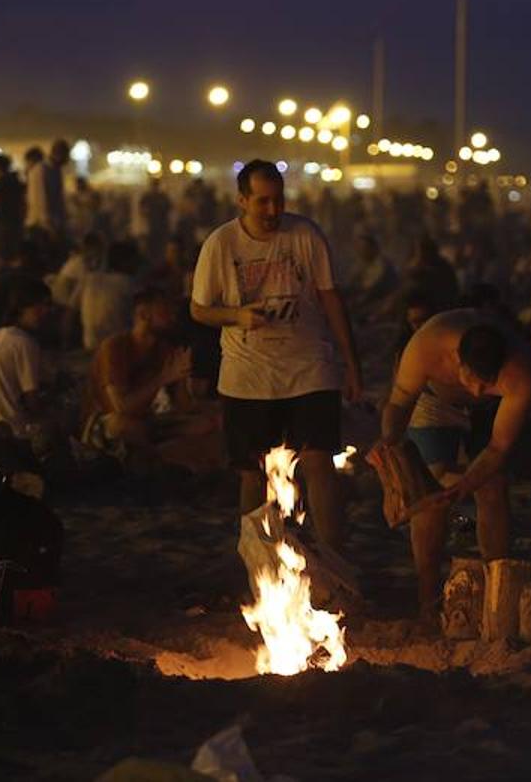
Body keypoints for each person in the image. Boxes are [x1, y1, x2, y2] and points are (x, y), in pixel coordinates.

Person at [190, 159, 363, 551]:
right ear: (242, 201)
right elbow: (199, 309)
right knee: (252, 473)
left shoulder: (306, 235)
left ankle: (334, 560)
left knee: (319, 462)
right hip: (247, 375)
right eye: (263, 202)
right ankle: (258, 559)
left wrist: (350, 363)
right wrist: (237, 316)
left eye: (279, 201)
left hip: (309, 366)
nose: (273, 211)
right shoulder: (221, 244)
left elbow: (331, 298)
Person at [374, 310, 531, 613]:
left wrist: (464, 486)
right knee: (428, 496)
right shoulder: (426, 348)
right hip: (433, 402)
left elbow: (498, 448)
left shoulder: (519, 374)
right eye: (472, 381)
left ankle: (498, 594)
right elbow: (399, 403)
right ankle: (427, 598)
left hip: (493, 411)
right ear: (458, 361)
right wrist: (390, 445)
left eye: (487, 383)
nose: (475, 391)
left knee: (493, 487)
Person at [83, 287, 218, 468]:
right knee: (124, 426)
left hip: (146, 421)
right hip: (106, 424)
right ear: (144, 315)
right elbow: (121, 407)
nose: (172, 315)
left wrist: (183, 378)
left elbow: (182, 406)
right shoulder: (115, 347)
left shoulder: (164, 348)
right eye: (165, 309)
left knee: (205, 424)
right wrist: (163, 378)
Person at [0, 276, 52, 431]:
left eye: (48, 306)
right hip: (8, 432)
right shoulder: (24, 342)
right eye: (40, 306)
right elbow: (32, 402)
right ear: (22, 308)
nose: (46, 312)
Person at [79, 239, 138, 351]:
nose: (136, 265)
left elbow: (69, 313)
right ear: (125, 262)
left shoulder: (90, 279)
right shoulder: (127, 283)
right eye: (134, 260)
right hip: (117, 347)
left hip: (90, 345)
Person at [26, 139, 70, 240]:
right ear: (59, 154)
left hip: (52, 225)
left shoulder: (56, 170)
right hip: (41, 227)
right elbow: (39, 200)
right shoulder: (40, 170)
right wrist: (48, 225)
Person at [0, 152, 26, 262]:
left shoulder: (0, 183)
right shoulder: (15, 181)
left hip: (4, 223)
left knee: (3, 256)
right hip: (16, 222)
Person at [139, 178, 173, 262]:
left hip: (162, 227)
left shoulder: (162, 196)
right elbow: (141, 209)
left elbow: (169, 208)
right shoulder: (148, 197)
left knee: (161, 248)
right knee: (152, 248)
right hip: (152, 226)